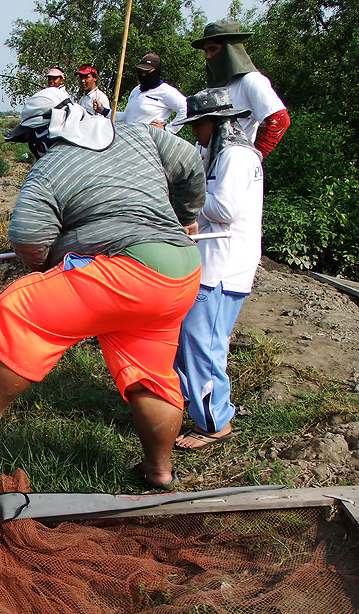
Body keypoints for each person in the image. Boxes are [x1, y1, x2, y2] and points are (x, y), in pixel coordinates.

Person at [0, 89, 206, 491]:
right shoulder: (140, 134)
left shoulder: (49, 168)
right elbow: (190, 161)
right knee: (151, 375)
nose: (30, 152)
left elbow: (27, 240)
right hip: (180, 272)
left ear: (44, 136)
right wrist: (187, 216)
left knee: (18, 305)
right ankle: (158, 470)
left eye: (29, 143)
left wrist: (49, 268)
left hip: (130, 274)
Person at [172, 89, 264, 450]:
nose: (195, 132)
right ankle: (191, 406)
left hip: (224, 266)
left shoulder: (236, 157)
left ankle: (214, 423)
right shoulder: (221, 153)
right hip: (214, 262)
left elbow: (224, 208)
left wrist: (186, 194)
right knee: (191, 340)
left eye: (199, 125)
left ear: (216, 122)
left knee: (203, 342)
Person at [192, 19, 290, 158]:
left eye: (213, 49)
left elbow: (280, 121)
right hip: (210, 169)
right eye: (206, 51)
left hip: (233, 166)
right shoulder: (219, 86)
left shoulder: (251, 81)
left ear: (230, 49)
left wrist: (253, 158)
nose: (208, 56)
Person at [95, 53, 187, 134]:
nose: (143, 75)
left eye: (147, 72)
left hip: (150, 143)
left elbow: (186, 108)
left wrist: (167, 130)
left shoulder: (166, 91)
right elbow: (126, 116)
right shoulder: (136, 90)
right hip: (131, 141)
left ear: (156, 71)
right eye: (141, 71)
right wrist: (103, 110)